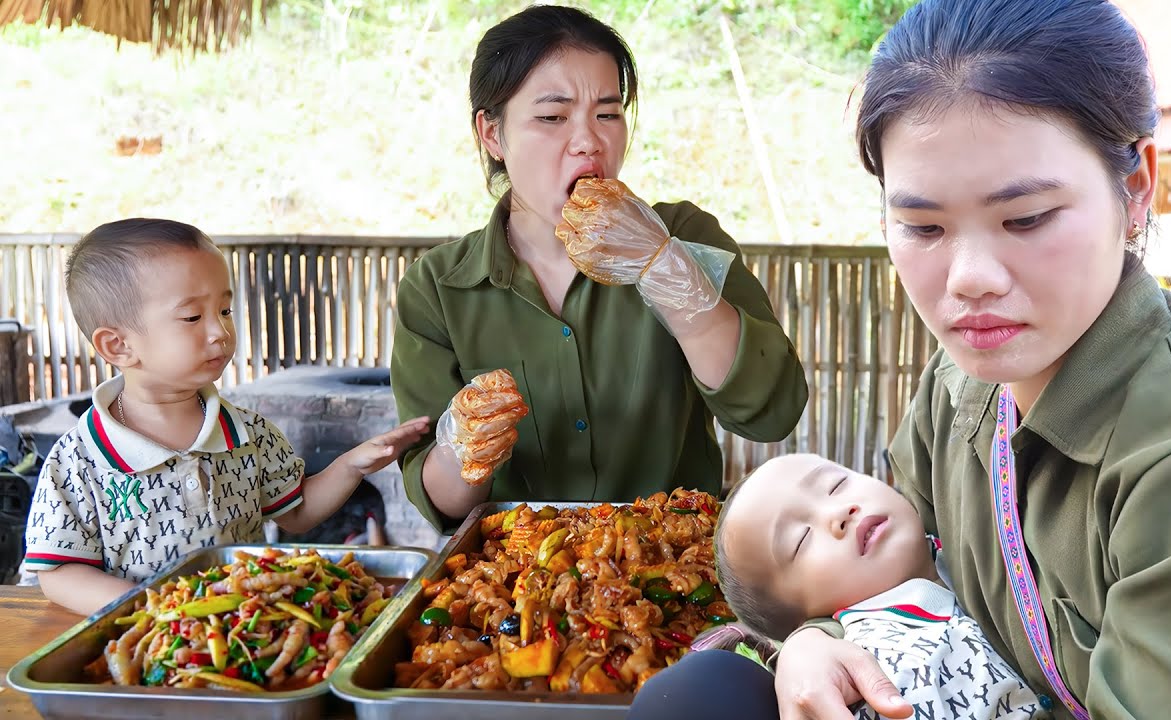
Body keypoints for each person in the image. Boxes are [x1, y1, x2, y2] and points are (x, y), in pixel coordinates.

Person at [633, 0, 1171, 718]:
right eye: (923, 225)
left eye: (1026, 218)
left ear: (1134, 188)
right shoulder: (963, 386)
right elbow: (886, 569)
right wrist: (813, 640)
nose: (970, 277)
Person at [391, 4, 808, 533]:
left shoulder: (685, 236)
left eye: (608, 113)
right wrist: (465, 444)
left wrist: (665, 268)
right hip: (515, 581)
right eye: (552, 116)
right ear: (492, 135)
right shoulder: (438, 288)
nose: (590, 140)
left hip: (678, 563)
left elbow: (772, 413)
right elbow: (441, 502)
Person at [22, 219, 430, 615]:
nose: (220, 331)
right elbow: (58, 573)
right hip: (146, 644)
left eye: (225, 310)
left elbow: (296, 514)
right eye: (193, 317)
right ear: (118, 346)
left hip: (243, 635)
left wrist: (350, 466)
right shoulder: (79, 459)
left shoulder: (250, 433)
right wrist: (159, 609)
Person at [703, 453, 1045, 719]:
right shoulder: (879, 674)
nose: (839, 512)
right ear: (806, 620)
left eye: (836, 484)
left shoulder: (968, 540)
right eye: (801, 539)